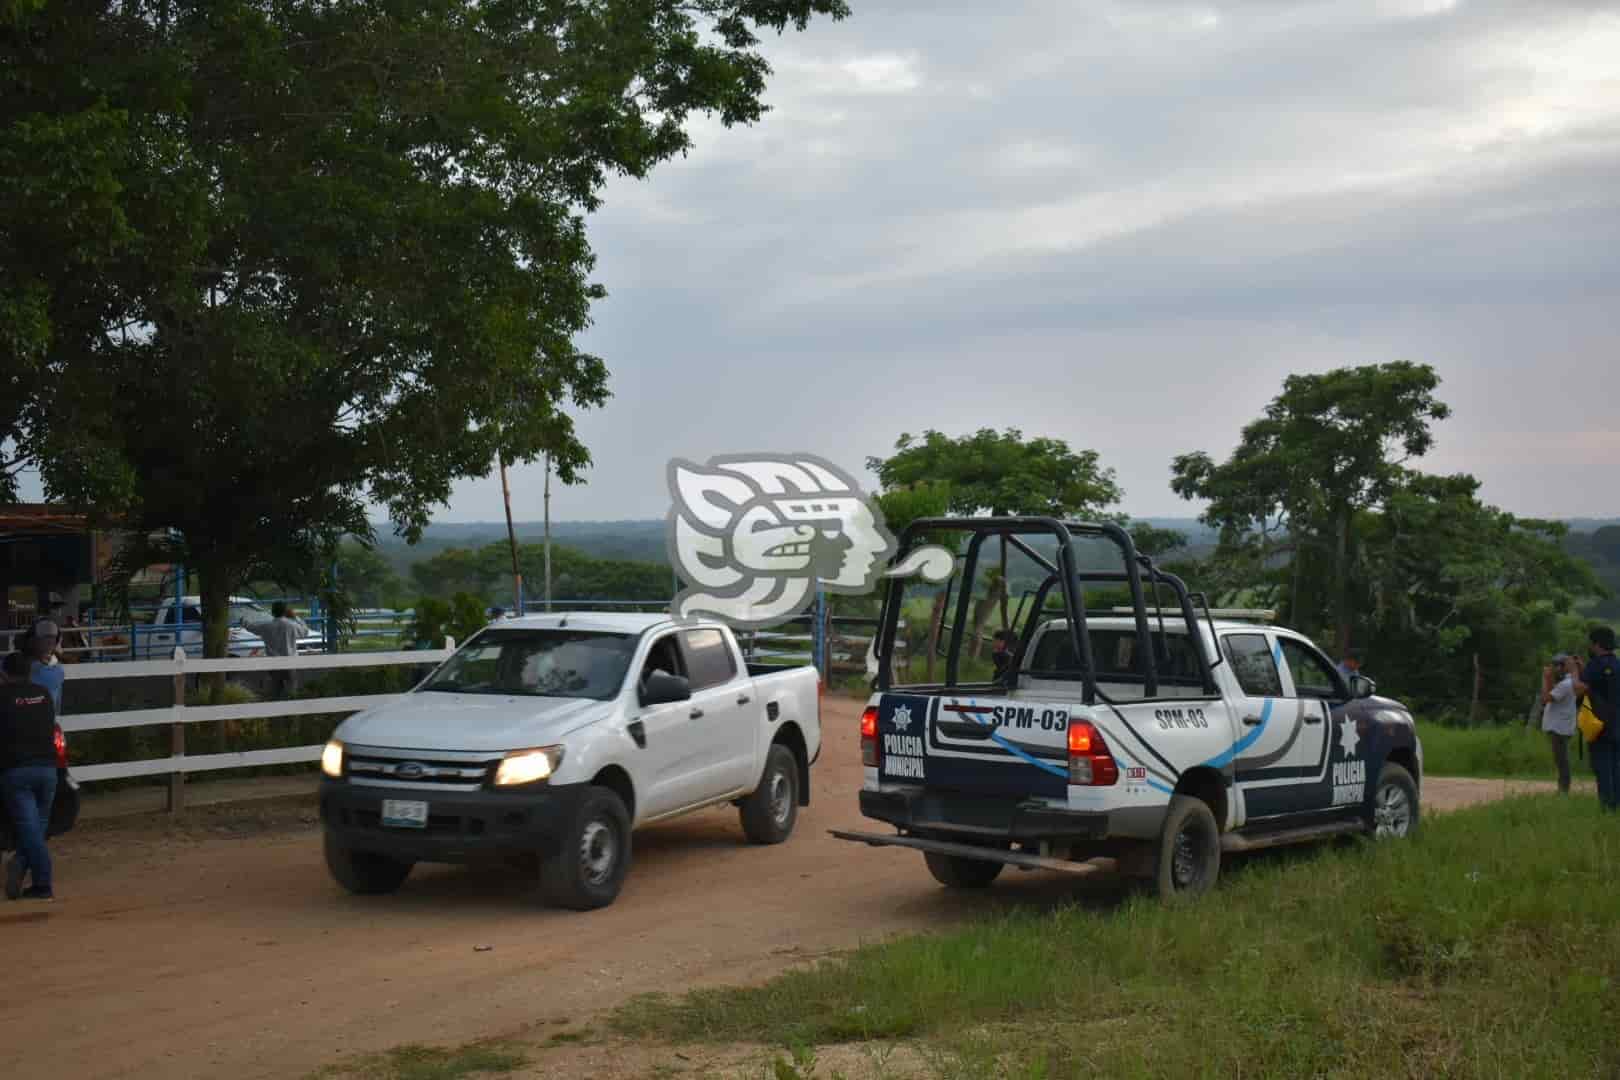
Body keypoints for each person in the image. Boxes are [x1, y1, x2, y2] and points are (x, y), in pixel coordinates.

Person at [2, 650, 59, 901]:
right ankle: (21, 866)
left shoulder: (2, 696)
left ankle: (43, 884)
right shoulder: (44, 695)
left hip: (17, 770)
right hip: (48, 769)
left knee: (31, 831)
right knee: (37, 829)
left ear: (4, 673)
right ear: (29, 672)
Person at [1573, 626, 1620, 811]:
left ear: (1596, 644)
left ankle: (1607, 807)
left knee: (1602, 766)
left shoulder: (1596, 665)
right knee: (1616, 766)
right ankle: (1616, 806)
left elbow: (1579, 688)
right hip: (1617, 724)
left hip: (1599, 725)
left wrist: (1573, 671)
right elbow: (1601, 684)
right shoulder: (1617, 664)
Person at [241, 602, 310, 700]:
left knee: (275, 689)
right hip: (290, 662)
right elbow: (305, 631)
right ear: (285, 612)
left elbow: (251, 627)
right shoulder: (292, 625)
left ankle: (276, 706)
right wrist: (295, 617)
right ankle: (291, 709)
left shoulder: (266, 626)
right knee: (292, 688)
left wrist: (243, 621)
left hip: (273, 662)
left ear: (272, 612)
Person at [1540, 653, 1579, 794]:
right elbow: (1552, 691)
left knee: (1561, 760)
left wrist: (1545, 678)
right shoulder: (1569, 682)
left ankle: (1563, 789)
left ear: (1563, 667)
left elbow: (1546, 698)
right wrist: (1550, 679)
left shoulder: (1566, 684)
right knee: (1561, 759)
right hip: (1562, 726)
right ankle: (1563, 787)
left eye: (1556, 666)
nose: (1554, 669)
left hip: (1559, 728)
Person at [17, 619, 65, 716]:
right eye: (45, 637)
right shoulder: (55, 669)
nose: (49, 641)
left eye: (52, 637)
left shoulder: (56, 667)